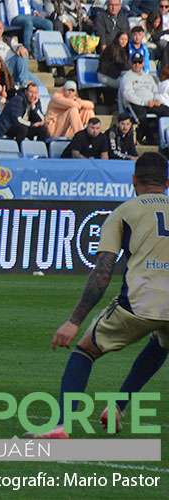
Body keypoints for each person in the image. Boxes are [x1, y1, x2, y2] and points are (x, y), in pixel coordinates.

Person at [28, 152, 169, 439]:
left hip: (138, 305)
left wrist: (73, 320)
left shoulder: (124, 212)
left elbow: (103, 272)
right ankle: (118, 405)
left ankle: (60, 425)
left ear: (134, 181)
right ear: (167, 182)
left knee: (85, 350)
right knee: (161, 342)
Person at [122, 53, 169, 143]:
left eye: (139, 62)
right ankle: (145, 137)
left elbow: (155, 91)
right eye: (135, 62)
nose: (137, 65)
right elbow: (128, 95)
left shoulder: (148, 77)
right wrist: (144, 102)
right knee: (141, 118)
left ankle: (161, 137)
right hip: (136, 104)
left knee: (166, 111)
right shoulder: (127, 77)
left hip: (151, 103)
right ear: (131, 63)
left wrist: (156, 100)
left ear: (143, 63)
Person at [0, 19, 39, 87]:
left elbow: (16, 45)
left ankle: (23, 83)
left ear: (3, 29)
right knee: (29, 80)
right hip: (0, 67)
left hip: (15, 68)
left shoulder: (7, 39)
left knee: (39, 84)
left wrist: (20, 48)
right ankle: (24, 84)